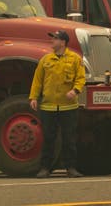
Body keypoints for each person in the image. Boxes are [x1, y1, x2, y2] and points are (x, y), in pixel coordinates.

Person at [29, 30, 86, 177]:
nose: (52, 41)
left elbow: (81, 78)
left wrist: (75, 90)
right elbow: (37, 80)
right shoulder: (45, 60)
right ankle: (45, 168)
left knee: (69, 139)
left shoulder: (75, 59)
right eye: (52, 38)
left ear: (63, 42)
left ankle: (71, 168)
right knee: (48, 138)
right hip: (48, 106)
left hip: (69, 107)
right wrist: (33, 97)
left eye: (55, 39)